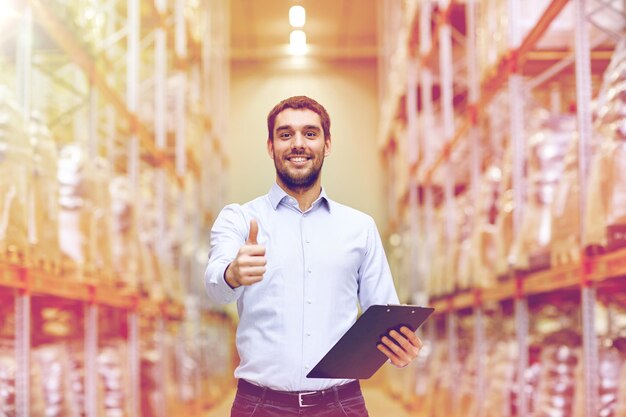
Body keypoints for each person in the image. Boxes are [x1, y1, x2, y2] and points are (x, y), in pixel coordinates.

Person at [204, 96, 423, 417]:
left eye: (309, 133)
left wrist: (401, 348)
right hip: (259, 406)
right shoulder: (238, 219)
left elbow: (384, 312)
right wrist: (233, 273)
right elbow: (214, 286)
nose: (297, 144)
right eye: (285, 134)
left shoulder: (359, 227)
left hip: (340, 404)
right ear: (270, 146)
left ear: (327, 144)